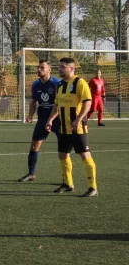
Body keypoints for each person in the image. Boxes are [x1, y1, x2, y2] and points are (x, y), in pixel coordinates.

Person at [46, 57, 97, 197]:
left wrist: (78, 119)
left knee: (85, 155)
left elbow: (88, 103)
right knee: (62, 155)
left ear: (71, 68)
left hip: (78, 128)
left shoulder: (80, 83)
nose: (59, 69)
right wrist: (50, 119)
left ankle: (92, 187)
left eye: (62, 66)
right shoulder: (60, 84)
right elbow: (57, 105)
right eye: (59, 66)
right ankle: (68, 184)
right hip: (64, 128)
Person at [18, 60, 60, 182]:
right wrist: (30, 115)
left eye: (42, 67)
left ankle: (66, 179)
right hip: (42, 119)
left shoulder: (57, 83)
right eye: (38, 67)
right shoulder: (36, 84)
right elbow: (33, 101)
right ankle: (31, 174)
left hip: (58, 119)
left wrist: (52, 119)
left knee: (63, 149)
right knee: (34, 145)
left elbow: (60, 103)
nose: (39, 70)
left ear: (49, 69)